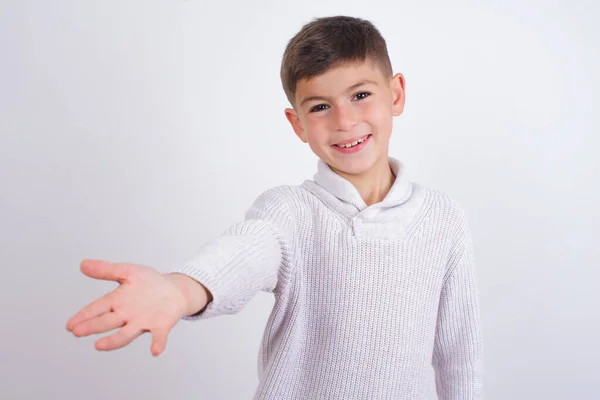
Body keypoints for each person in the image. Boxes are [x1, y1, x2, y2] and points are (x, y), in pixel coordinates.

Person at [66, 15, 483, 400]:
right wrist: (180, 289)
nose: (344, 120)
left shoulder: (443, 218)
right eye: (320, 106)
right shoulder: (289, 212)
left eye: (360, 95)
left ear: (395, 94)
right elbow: (239, 256)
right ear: (297, 123)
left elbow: (458, 353)